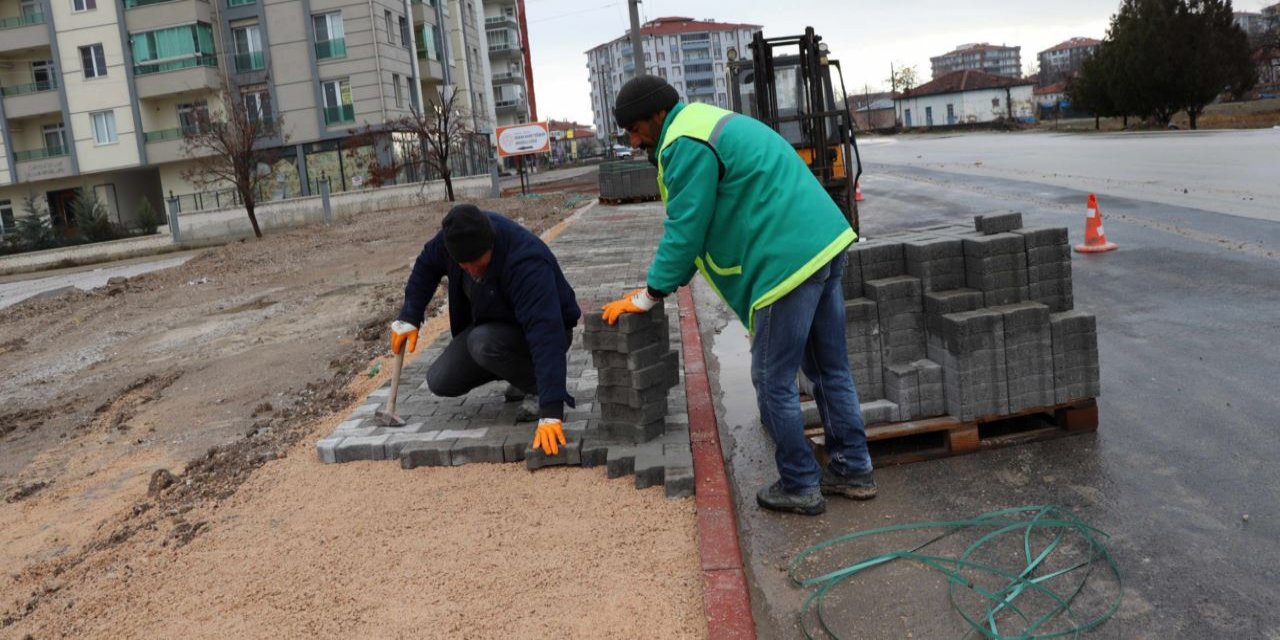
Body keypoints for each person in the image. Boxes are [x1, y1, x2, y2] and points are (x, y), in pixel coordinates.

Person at [601, 75, 875, 515]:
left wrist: (649, 295)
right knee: (830, 369)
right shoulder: (703, 122)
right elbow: (704, 226)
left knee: (772, 380)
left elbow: (685, 229)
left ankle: (801, 483)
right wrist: (664, 282)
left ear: (657, 115)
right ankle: (854, 469)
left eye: (635, 129)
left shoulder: (683, 143)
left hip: (784, 262)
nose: (633, 141)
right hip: (822, 241)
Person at [390, 204, 580, 456]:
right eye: (464, 265)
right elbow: (426, 264)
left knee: (482, 343)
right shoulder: (453, 241)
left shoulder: (525, 261)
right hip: (493, 329)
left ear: (490, 244)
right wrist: (410, 316)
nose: (471, 270)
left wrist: (552, 411)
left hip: (547, 331)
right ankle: (520, 376)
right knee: (440, 380)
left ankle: (537, 387)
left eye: (477, 263)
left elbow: (546, 333)